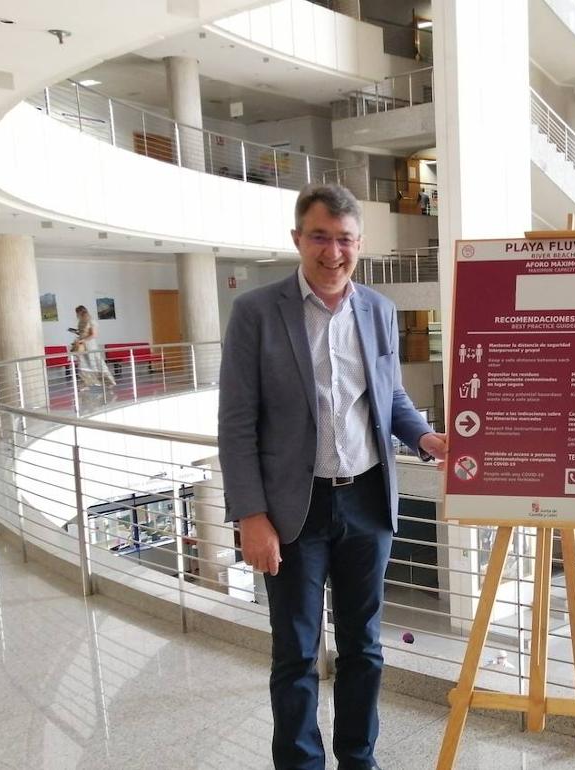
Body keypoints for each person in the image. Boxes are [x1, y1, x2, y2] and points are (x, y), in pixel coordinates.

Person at [218, 183, 448, 769]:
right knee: (295, 652)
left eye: (344, 239)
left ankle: (357, 759)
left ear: (359, 243)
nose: (332, 252)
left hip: (368, 501)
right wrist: (250, 514)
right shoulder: (255, 312)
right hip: (291, 508)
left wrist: (423, 435)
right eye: (319, 237)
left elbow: (390, 395)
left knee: (363, 648)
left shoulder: (378, 309)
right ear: (298, 238)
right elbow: (237, 421)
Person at [72, 305, 116, 391]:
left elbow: (94, 335)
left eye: (77, 313)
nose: (77, 315)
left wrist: (83, 340)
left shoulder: (91, 321)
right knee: (83, 364)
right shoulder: (81, 321)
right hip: (82, 345)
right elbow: (82, 332)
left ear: (81, 312)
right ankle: (86, 384)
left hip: (90, 345)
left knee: (96, 363)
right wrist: (78, 334)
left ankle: (109, 382)